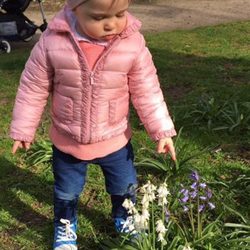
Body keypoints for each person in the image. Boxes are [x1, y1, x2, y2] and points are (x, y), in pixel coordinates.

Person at [10, 0, 177, 249]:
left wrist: (161, 130)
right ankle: (65, 226)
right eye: (99, 18)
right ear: (74, 9)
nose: (112, 23)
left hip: (115, 139)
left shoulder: (131, 43)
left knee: (124, 186)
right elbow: (33, 86)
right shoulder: (53, 41)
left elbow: (147, 89)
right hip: (68, 141)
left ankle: (125, 218)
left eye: (120, 14)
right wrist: (24, 127)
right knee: (66, 191)